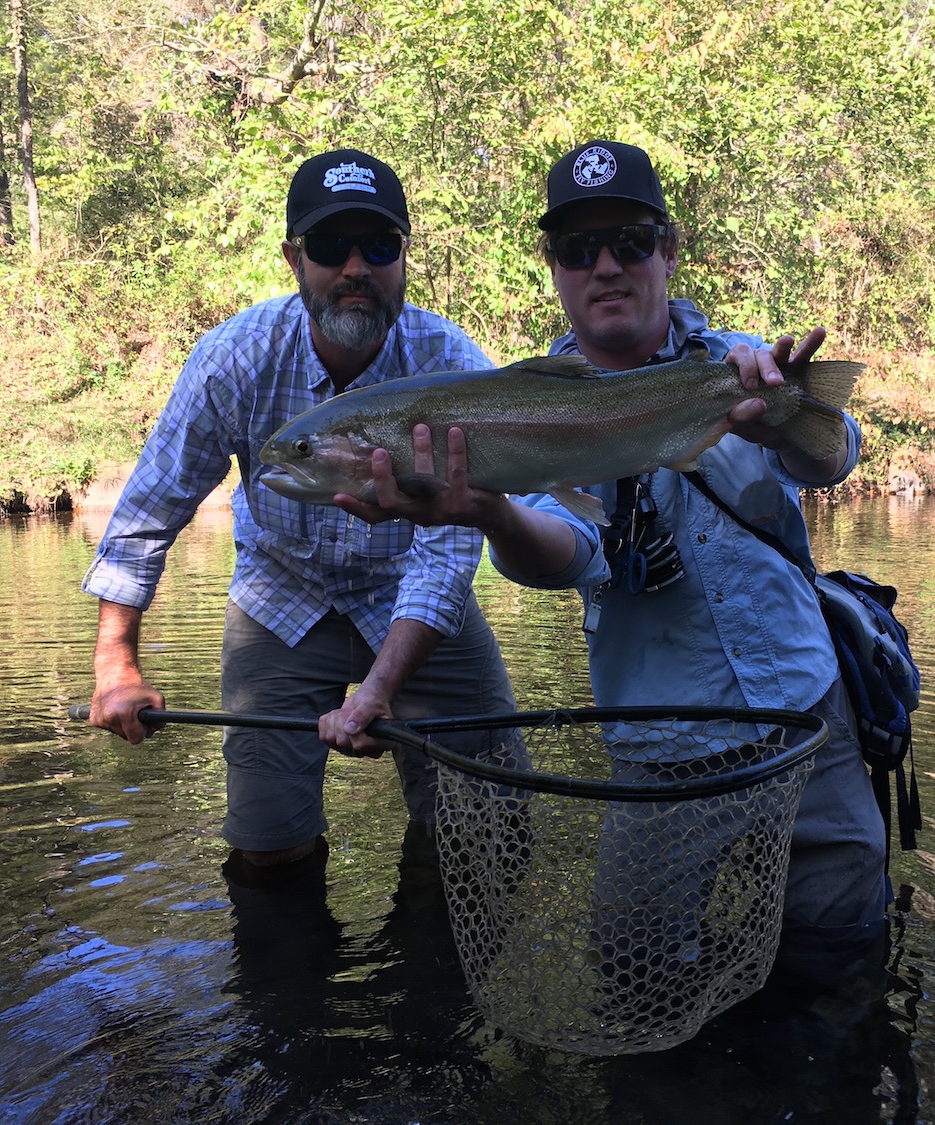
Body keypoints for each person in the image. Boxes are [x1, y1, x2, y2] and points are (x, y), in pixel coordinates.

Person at [334, 139, 890, 961]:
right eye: (578, 247)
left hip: (808, 719)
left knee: (842, 951)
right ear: (554, 266)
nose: (606, 266)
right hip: (659, 750)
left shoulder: (738, 364)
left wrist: (783, 420)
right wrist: (490, 514)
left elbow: (834, 458)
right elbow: (568, 554)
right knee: (634, 968)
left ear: (668, 250)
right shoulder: (520, 406)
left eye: (630, 241)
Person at [82, 148, 516, 871]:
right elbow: (152, 507)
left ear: (404, 257)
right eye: (329, 245)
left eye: (378, 246)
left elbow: (447, 550)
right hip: (278, 597)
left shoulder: (452, 365)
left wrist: (381, 687)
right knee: (269, 852)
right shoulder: (235, 359)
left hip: (413, 595)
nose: (355, 268)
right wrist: (115, 663)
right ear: (294, 258)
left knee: (488, 832)